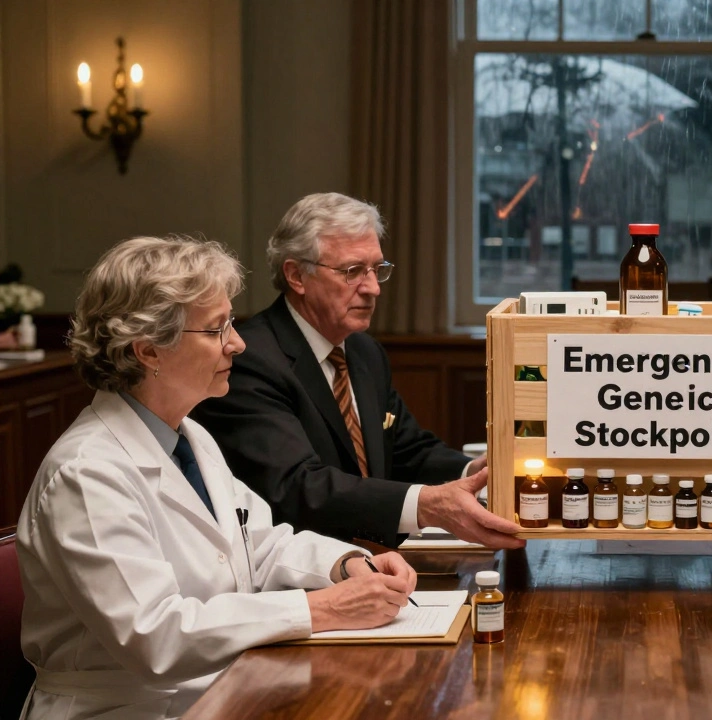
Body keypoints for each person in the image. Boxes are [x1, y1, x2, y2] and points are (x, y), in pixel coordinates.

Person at [17, 236, 417, 720]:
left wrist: (346, 565)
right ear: (149, 351)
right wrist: (325, 609)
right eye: (216, 329)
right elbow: (156, 636)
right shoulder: (87, 474)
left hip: (220, 690)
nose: (238, 342)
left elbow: (260, 545)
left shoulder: (192, 437)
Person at [192, 193, 523, 549]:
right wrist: (427, 505)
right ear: (296, 275)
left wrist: (476, 473)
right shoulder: (251, 359)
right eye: (352, 272)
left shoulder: (363, 351)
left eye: (377, 269)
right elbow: (297, 487)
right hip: (296, 575)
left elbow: (407, 451)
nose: (373, 288)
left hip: (379, 561)